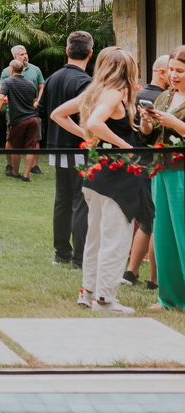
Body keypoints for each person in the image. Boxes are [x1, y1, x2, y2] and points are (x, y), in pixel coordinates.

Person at [51, 46, 144, 314]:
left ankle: (88, 291)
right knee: (116, 238)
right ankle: (105, 299)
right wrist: (123, 145)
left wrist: (89, 137)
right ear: (127, 69)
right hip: (116, 177)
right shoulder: (116, 93)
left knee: (96, 236)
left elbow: (58, 114)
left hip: (96, 174)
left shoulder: (94, 91)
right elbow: (95, 121)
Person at [138, 46, 185, 311]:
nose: (174, 76)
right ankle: (168, 298)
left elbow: (176, 128)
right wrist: (146, 123)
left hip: (182, 173)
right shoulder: (165, 97)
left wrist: (174, 123)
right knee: (164, 236)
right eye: (171, 71)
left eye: (180, 71)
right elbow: (150, 135)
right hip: (161, 171)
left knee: (183, 234)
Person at [42, 31, 94, 268]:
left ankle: (62, 252)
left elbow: (42, 109)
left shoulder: (52, 78)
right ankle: (79, 259)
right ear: (90, 54)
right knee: (80, 200)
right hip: (78, 148)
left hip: (55, 146)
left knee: (62, 200)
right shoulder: (85, 82)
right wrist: (86, 135)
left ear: (67, 51)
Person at [126, 54, 168, 288]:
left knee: (145, 221)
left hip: (136, 162)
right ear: (162, 72)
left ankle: (131, 272)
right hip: (154, 164)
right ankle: (154, 279)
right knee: (154, 222)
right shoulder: (163, 99)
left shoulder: (137, 95)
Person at [0, 45, 46, 176]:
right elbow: (1, 91)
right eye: (22, 54)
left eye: (26, 53)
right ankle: (10, 166)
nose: (25, 56)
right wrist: (14, 100)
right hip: (14, 111)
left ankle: (34, 166)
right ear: (15, 57)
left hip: (33, 110)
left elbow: (42, 87)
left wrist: (37, 101)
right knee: (10, 139)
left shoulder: (35, 69)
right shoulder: (7, 71)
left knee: (36, 139)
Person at [0, 58, 40, 181]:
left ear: (11, 69)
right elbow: (33, 102)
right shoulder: (30, 84)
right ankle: (26, 175)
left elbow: (0, 98)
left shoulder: (8, 82)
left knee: (16, 147)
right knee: (31, 147)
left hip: (19, 120)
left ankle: (15, 172)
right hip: (33, 119)